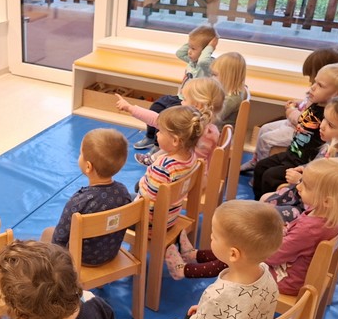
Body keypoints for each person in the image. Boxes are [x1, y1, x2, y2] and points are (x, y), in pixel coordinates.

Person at [168, 158, 338, 295]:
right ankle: (194, 255)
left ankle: (185, 270)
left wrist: (262, 242)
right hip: (291, 266)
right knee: (240, 247)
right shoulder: (330, 218)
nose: (298, 187)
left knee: (238, 256)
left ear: (327, 201)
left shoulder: (311, 229)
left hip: (283, 279)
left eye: (305, 186)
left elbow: (273, 255)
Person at [144, 200, 284, 319]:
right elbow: (243, 310)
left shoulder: (220, 295)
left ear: (233, 254)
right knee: (190, 317)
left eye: (215, 236)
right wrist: (207, 312)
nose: (211, 237)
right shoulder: (266, 274)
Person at [252, 60, 338, 199]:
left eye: (320, 85)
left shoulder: (332, 112)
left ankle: (271, 205)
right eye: (315, 82)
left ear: (337, 96)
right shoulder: (316, 102)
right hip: (291, 154)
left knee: (270, 176)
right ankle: (259, 203)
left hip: (303, 163)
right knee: (261, 167)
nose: (313, 87)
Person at [262, 95, 338, 223]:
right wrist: (304, 168)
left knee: (264, 213)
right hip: (301, 196)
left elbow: (325, 195)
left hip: (310, 210)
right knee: (264, 200)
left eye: (330, 125)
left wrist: (300, 180)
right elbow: (318, 167)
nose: (322, 126)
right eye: (324, 119)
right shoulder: (333, 145)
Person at [240, 47, 338, 173]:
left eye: (313, 76)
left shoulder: (324, 101)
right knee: (264, 129)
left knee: (266, 139)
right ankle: (255, 161)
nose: (312, 83)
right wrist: (298, 103)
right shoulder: (318, 92)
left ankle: (260, 167)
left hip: (299, 130)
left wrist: (290, 111)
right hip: (293, 124)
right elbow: (307, 103)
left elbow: (302, 120)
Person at [41, 129, 132, 266]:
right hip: (110, 252)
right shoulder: (123, 192)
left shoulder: (79, 201)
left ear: (88, 166)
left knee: (47, 233)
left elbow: (59, 239)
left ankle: (50, 274)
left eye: (80, 154)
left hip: (82, 259)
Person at [132, 23, 218, 151]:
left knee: (166, 117)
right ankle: (150, 136)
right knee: (156, 106)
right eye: (189, 47)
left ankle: (158, 145)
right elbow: (179, 53)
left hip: (190, 104)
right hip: (180, 97)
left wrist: (210, 45)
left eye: (193, 49)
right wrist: (192, 42)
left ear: (206, 50)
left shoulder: (208, 65)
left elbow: (203, 60)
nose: (189, 51)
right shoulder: (192, 61)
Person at [119, 77, 223, 170]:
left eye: (184, 99)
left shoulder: (186, 126)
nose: (181, 102)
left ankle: (153, 159)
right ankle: (153, 158)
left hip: (183, 178)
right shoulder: (213, 130)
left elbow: (156, 119)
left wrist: (130, 108)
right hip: (203, 176)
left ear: (197, 105)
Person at [135, 106, 204, 231]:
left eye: (160, 131)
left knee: (116, 203)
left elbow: (150, 204)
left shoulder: (163, 167)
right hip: (171, 217)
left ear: (175, 140)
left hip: (150, 226)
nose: (157, 134)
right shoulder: (192, 157)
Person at [211, 52, 249, 129]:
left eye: (215, 75)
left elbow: (213, 119)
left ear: (228, 77)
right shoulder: (233, 91)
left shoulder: (231, 100)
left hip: (219, 130)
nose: (211, 78)